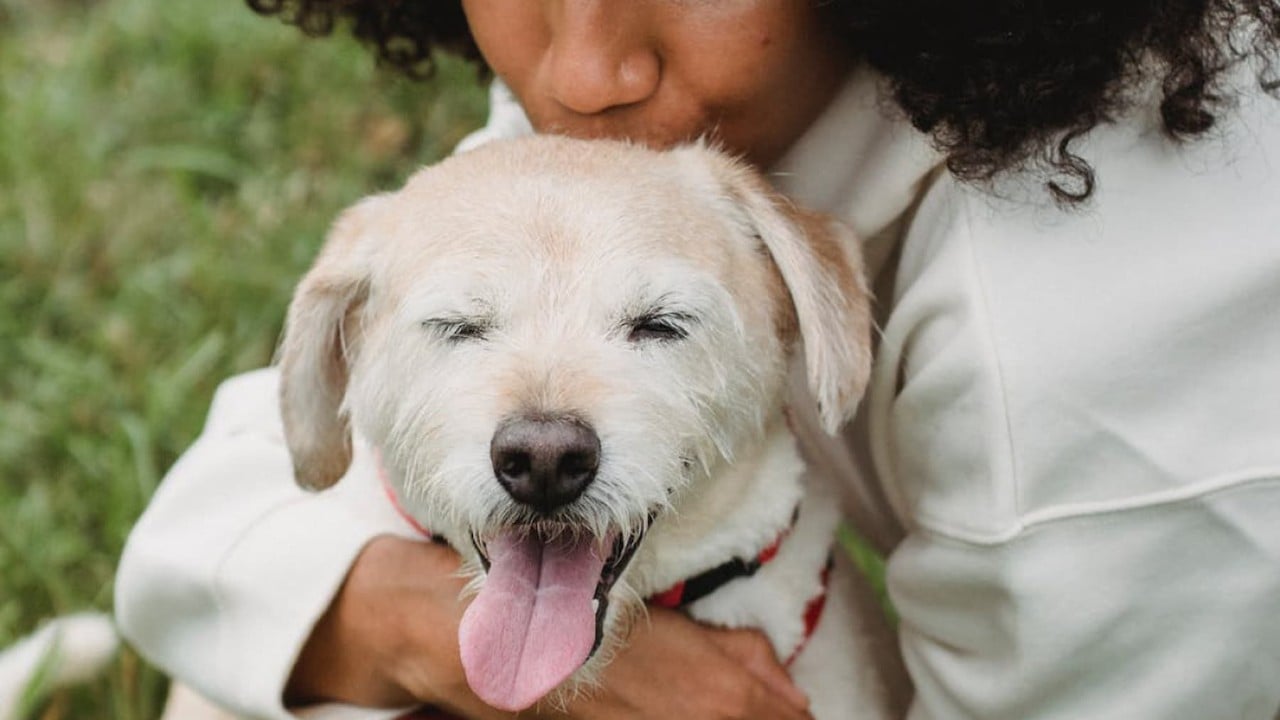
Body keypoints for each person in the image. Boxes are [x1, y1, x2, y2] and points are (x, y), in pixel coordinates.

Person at [115, 1, 1280, 718]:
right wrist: (419, 630)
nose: (578, 71)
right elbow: (206, 521)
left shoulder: (1080, 383)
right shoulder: (657, 109)